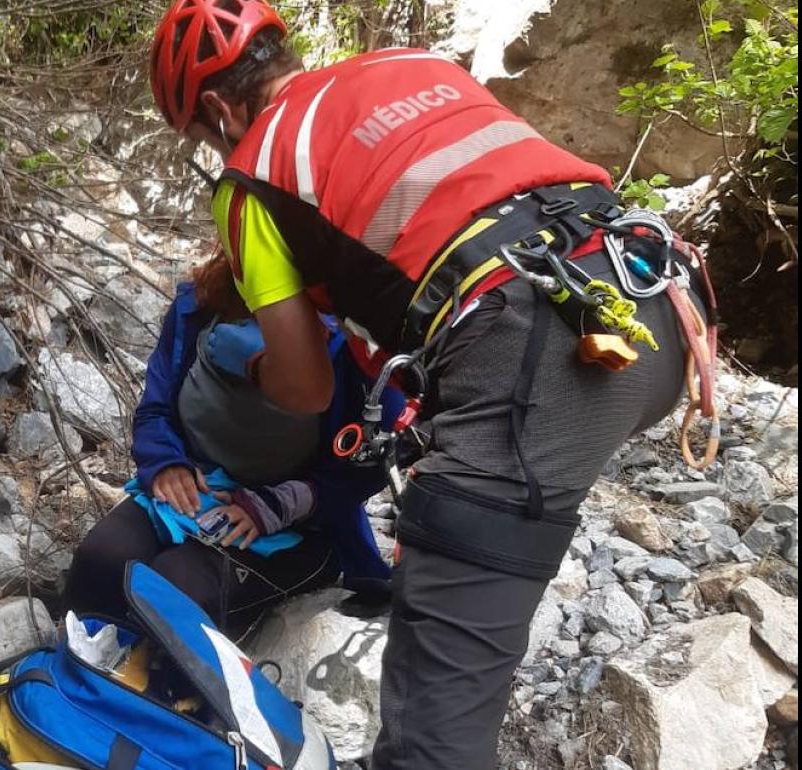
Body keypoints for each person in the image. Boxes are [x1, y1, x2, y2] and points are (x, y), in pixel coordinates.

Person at [147, 2, 704, 767]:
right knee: (472, 561)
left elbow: (306, 390)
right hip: (653, 296)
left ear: (215, 108)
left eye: (206, 138)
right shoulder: (411, 66)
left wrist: (255, 368)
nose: (217, 152)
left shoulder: (251, 183)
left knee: (428, 745)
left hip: (533, 349)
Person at [63, 255, 398, 640]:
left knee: (176, 588)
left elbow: (371, 460)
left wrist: (280, 504)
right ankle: (65, 673)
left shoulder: (352, 346)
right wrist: (166, 463)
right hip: (195, 492)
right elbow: (155, 408)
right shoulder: (199, 306)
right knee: (101, 560)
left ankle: (157, 691)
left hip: (298, 524)